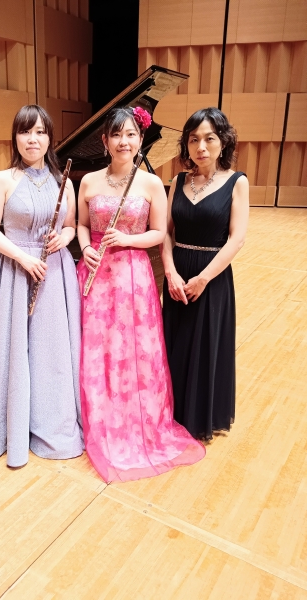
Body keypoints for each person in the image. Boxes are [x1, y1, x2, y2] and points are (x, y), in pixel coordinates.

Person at [76, 106, 205, 483]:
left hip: (133, 277)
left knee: (134, 351)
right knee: (99, 350)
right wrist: (86, 247)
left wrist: (128, 239)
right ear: (105, 141)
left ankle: (136, 420)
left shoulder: (150, 183)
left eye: (130, 134)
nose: (124, 141)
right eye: (116, 135)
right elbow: (82, 226)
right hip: (97, 274)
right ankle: (99, 418)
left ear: (140, 139)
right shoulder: (89, 181)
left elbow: (159, 233)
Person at [0, 104, 84, 468]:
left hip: (54, 272)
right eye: (25, 131)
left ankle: (51, 421)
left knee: (50, 350)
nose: (32, 139)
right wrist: (23, 258)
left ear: (49, 138)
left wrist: (63, 238)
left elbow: (71, 226)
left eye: (40, 132)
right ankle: (13, 424)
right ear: (15, 137)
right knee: (14, 350)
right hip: (15, 270)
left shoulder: (63, 181)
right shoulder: (2, 180)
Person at [161, 107, 249, 440]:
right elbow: (166, 232)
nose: (201, 147)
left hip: (211, 277)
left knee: (204, 346)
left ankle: (199, 417)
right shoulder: (178, 181)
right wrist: (170, 271)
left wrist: (203, 278)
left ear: (223, 141)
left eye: (209, 138)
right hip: (177, 274)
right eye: (193, 139)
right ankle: (172, 412)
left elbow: (237, 239)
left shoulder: (237, 182)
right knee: (175, 343)